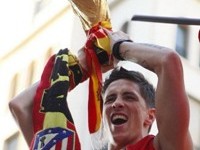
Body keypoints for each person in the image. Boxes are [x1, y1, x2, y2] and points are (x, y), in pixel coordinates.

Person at [9, 30, 193, 150]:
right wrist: (84, 65)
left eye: (129, 97)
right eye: (110, 99)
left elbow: (168, 61)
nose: (117, 103)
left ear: (150, 116)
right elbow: (21, 106)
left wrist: (119, 47)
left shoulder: (165, 145)